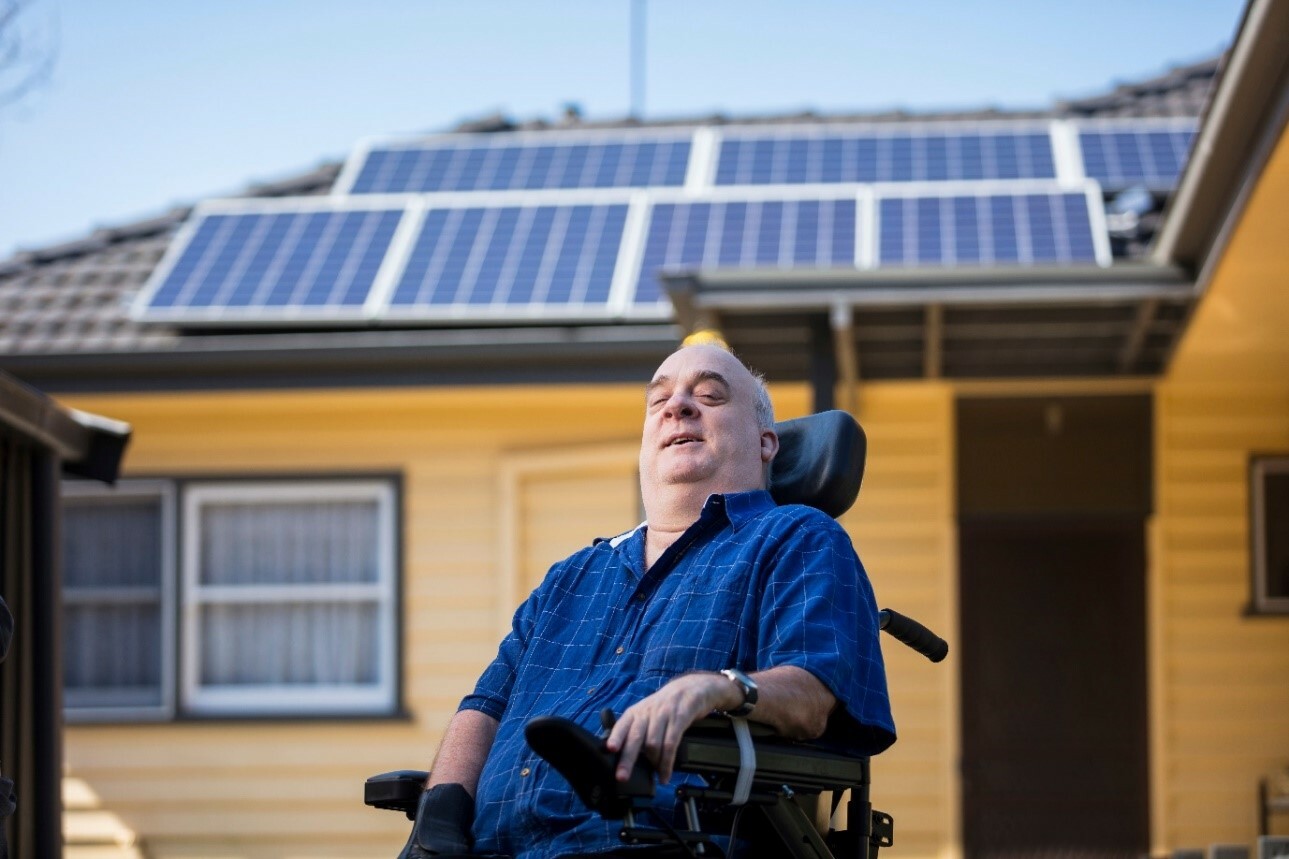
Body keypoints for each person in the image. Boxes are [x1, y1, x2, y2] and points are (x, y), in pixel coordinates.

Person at [400, 343, 895, 859]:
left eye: (709, 395)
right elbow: (485, 707)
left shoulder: (797, 539)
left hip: (659, 840)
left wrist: (715, 688)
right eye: (658, 401)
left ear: (766, 442)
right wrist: (439, 816)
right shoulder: (570, 578)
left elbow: (814, 693)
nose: (677, 407)